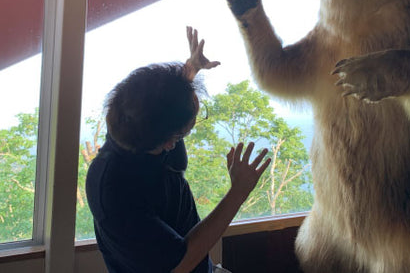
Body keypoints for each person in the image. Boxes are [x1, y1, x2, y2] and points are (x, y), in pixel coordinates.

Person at [86, 26, 271, 273]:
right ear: (169, 143)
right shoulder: (115, 194)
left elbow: (155, 100)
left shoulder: (130, 120)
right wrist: (239, 190)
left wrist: (189, 71)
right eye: (195, 118)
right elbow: (180, 263)